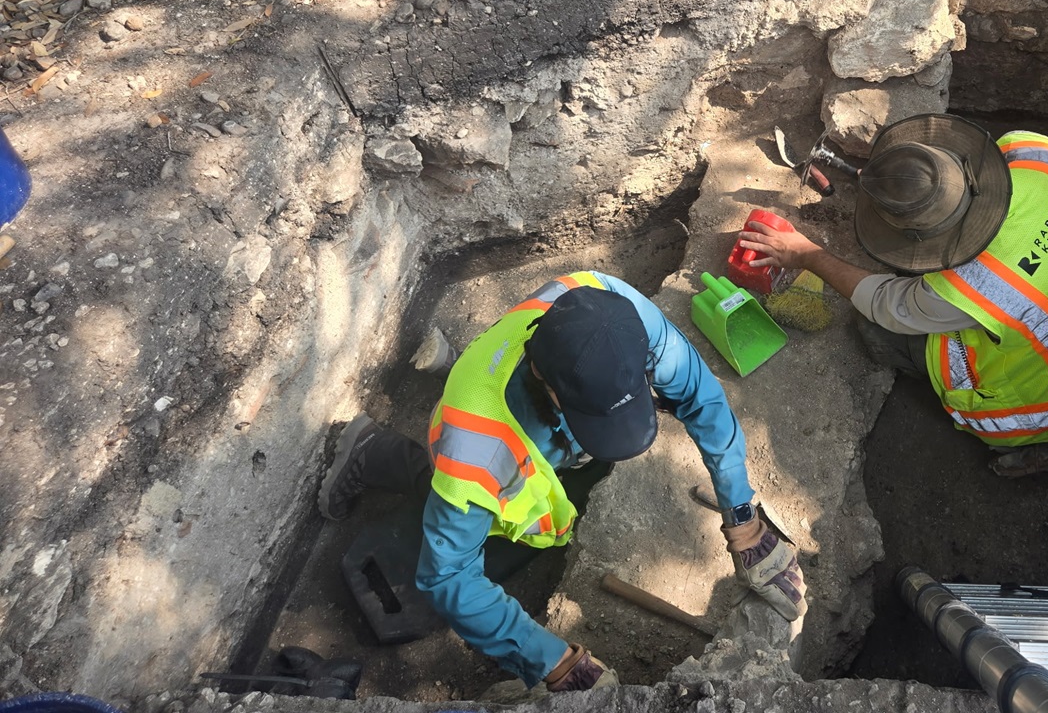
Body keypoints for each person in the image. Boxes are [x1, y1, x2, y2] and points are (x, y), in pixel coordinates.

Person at [317, 271, 805, 694]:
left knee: (546, 492)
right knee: (476, 516)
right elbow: (447, 576)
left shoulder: (607, 305)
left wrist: (744, 520)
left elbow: (701, 396)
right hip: (473, 437)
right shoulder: (476, 453)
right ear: (546, 382)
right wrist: (549, 660)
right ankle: (369, 451)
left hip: (554, 435)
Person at [738, 115, 1048, 478]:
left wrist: (808, 254)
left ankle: (1040, 447)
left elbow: (886, 304)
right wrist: (905, 184)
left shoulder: (971, 285)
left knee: (875, 332)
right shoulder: (1032, 150)